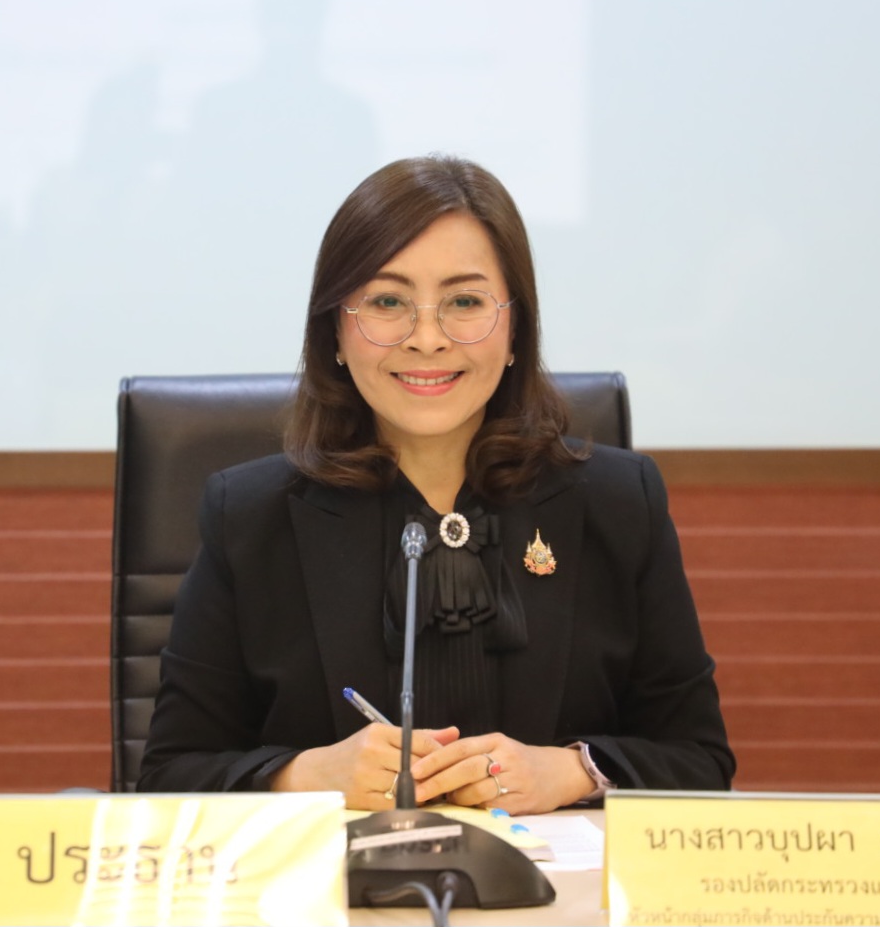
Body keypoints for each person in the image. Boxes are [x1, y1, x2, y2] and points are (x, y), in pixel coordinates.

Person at [138, 155, 734, 813]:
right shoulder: (250, 518)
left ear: (516, 329)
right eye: (388, 302)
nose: (427, 339)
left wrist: (570, 771)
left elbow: (700, 760)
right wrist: (307, 776)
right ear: (335, 329)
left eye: (465, 302)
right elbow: (169, 777)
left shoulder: (619, 503)